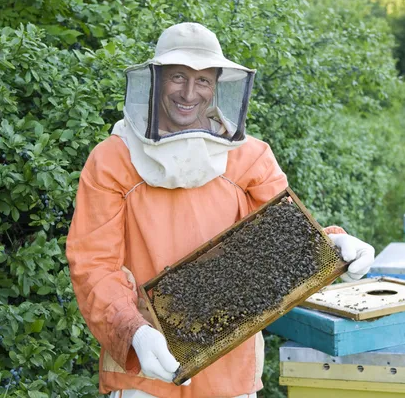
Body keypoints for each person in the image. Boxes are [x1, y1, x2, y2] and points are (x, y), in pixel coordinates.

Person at [66, 22, 375, 398]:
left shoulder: (250, 157)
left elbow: (288, 239)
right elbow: (94, 264)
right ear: (158, 79)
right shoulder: (113, 160)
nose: (189, 92)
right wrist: (133, 331)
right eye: (178, 77)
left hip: (231, 369)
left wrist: (334, 246)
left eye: (202, 81)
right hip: (144, 370)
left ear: (216, 87)